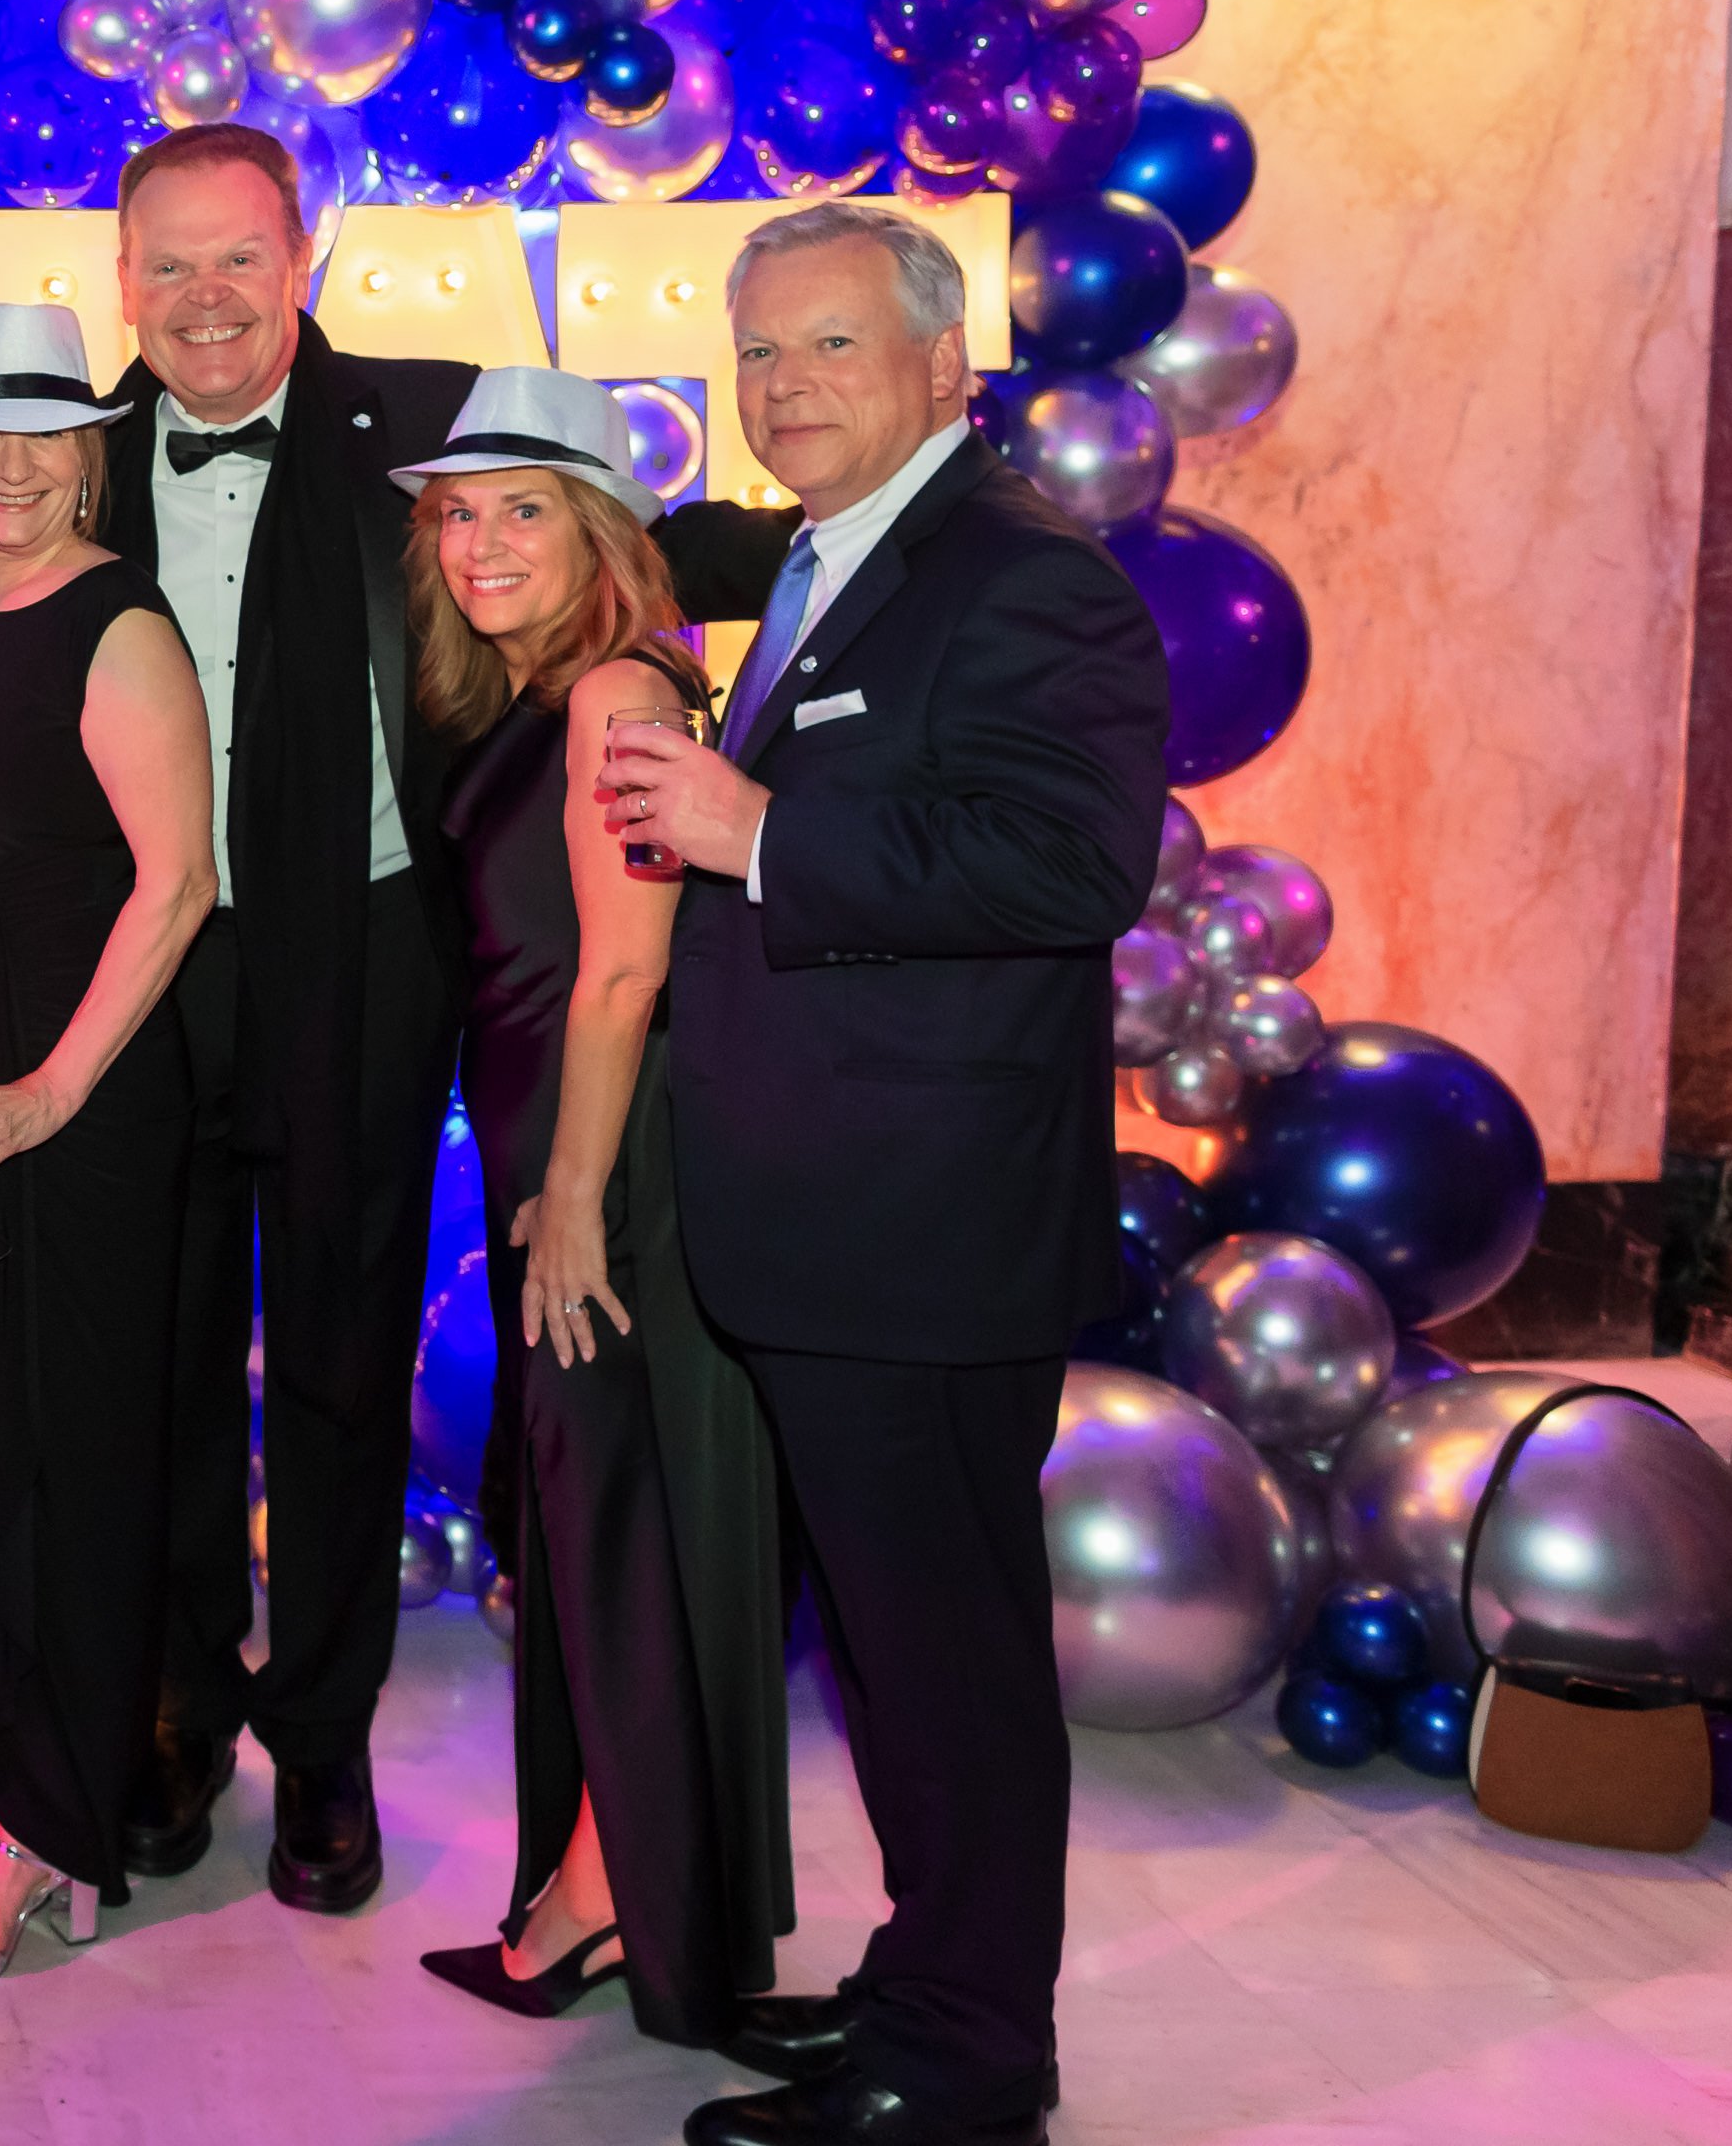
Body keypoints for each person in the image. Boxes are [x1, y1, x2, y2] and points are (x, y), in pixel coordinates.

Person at [87, 124, 790, 1914]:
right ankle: (173, 1713)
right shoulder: (68, 462)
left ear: (302, 257)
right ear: (120, 283)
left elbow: (639, 534)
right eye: (165, 264)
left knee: (338, 1364)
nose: (204, 298)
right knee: (152, 1369)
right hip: (146, 975)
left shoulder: (427, 424)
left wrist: (855, 532)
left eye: (237, 256)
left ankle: (322, 1741)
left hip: (368, 963)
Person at [600, 202, 1165, 2146]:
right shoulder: (845, 558)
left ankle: (970, 2063)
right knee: (906, 1660)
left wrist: (759, 826)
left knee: (954, 1670)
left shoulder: (1025, 576)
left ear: (947, 364)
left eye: (830, 346)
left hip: (924, 1238)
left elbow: (1071, 866)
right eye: (758, 352)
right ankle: (932, 1984)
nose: (782, 386)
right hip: (837, 1229)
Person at [389, 368, 791, 2057]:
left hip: (614, 1163)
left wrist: (563, 1201)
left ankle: (617, 1902)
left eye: (523, 509)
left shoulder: (617, 689)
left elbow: (623, 973)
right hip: (574, 1139)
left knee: (633, 1531)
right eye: (459, 514)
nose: (480, 543)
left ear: (606, 531)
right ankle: (598, 1881)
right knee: (599, 1530)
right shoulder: (554, 688)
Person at [0, 301, 217, 1981]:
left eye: (40, 436)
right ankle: (11, 1802)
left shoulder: (120, 625)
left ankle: (53, 1830)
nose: (5, 466)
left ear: (87, 457)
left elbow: (178, 885)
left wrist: (50, 1096)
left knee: (71, 1475)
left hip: (66, 1116)